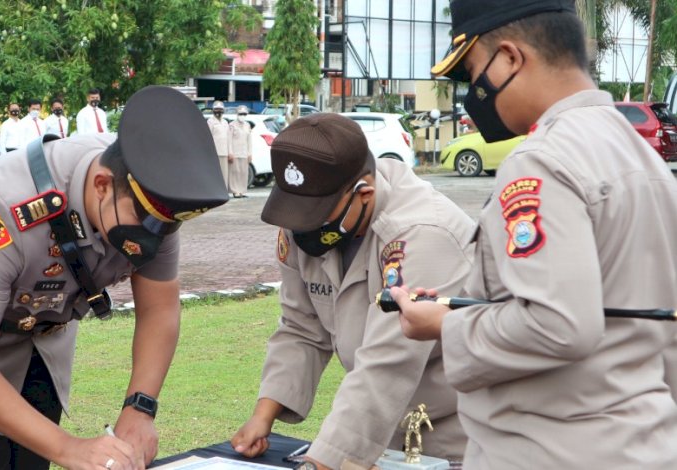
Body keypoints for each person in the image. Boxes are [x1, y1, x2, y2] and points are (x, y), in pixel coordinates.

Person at [391, 1, 677, 468]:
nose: (473, 93)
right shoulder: (640, 156)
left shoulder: (542, 161)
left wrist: (442, 324)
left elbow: (558, 324)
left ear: (509, 58)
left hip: (547, 447)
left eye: (472, 73)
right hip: (643, 442)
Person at [0, 86, 230, 470]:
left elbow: (159, 310)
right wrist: (69, 449)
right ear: (102, 185)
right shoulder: (11, 209)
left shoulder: (150, 201)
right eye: (144, 225)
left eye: (165, 227)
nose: (152, 239)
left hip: (44, 322)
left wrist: (140, 407)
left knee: (31, 456)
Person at [230, 115, 472, 470]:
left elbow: (387, 364)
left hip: (455, 438)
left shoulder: (422, 233)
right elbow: (301, 327)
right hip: (382, 435)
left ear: (365, 193)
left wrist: (320, 463)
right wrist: (262, 416)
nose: (302, 228)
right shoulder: (306, 223)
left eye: (316, 216)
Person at [227, 106, 252, 198]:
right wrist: (230, 152)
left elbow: (249, 140)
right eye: (241, 114)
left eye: (244, 114)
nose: (242, 116)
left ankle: (242, 190)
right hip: (234, 152)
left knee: (243, 172)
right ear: (237, 114)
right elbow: (229, 140)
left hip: (244, 153)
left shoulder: (247, 125)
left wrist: (250, 153)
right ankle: (235, 191)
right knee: (235, 172)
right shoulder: (232, 125)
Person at [207, 101, 230, 190]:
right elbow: (209, 138)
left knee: (224, 173)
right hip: (215, 152)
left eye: (220, 109)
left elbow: (228, 138)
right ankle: (215, 190)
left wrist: (229, 152)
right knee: (215, 173)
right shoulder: (210, 121)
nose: (218, 111)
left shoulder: (225, 122)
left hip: (224, 152)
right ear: (213, 110)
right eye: (216, 109)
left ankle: (224, 190)